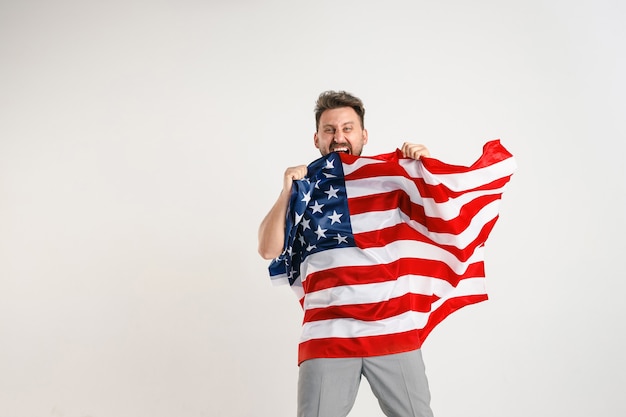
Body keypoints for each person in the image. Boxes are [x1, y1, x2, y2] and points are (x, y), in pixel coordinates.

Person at [258, 90, 435, 417]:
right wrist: (286, 190)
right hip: (328, 335)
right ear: (317, 138)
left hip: (391, 328)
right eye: (330, 129)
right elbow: (268, 248)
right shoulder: (304, 188)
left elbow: (439, 221)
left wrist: (426, 167)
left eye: (347, 128)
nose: (339, 137)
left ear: (363, 134)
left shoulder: (392, 178)